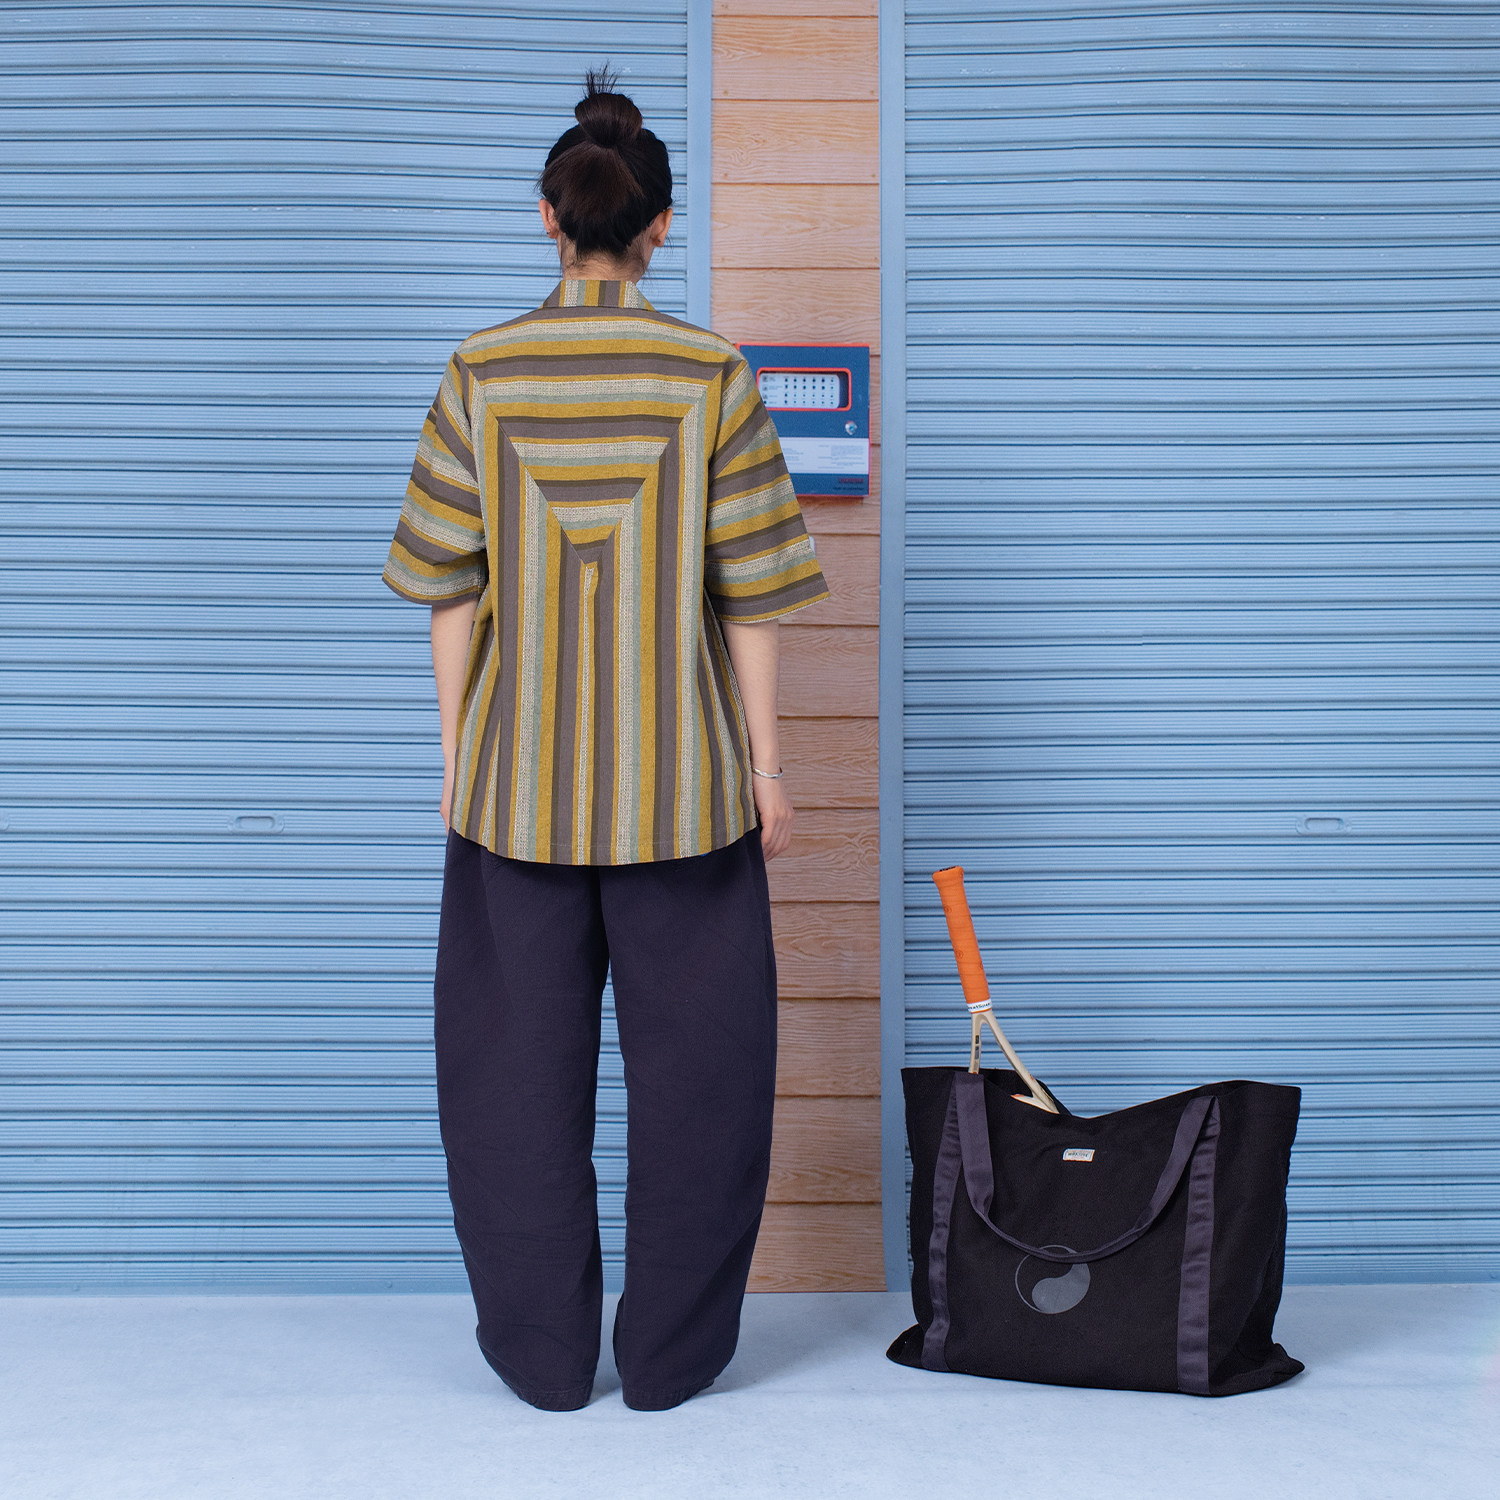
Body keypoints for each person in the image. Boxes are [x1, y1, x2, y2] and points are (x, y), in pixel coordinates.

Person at [382, 71, 830, 1412]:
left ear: (549, 217)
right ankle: (671, 1363)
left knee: (506, 1089)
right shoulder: (712, 375)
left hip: (511, 796)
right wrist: (767, 771)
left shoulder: (481, 371)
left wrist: (457, 760)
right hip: (686, 795)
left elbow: (447, 589)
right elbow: (752, 594)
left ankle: (541, 1361)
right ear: (660, 226)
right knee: (706, 1086)